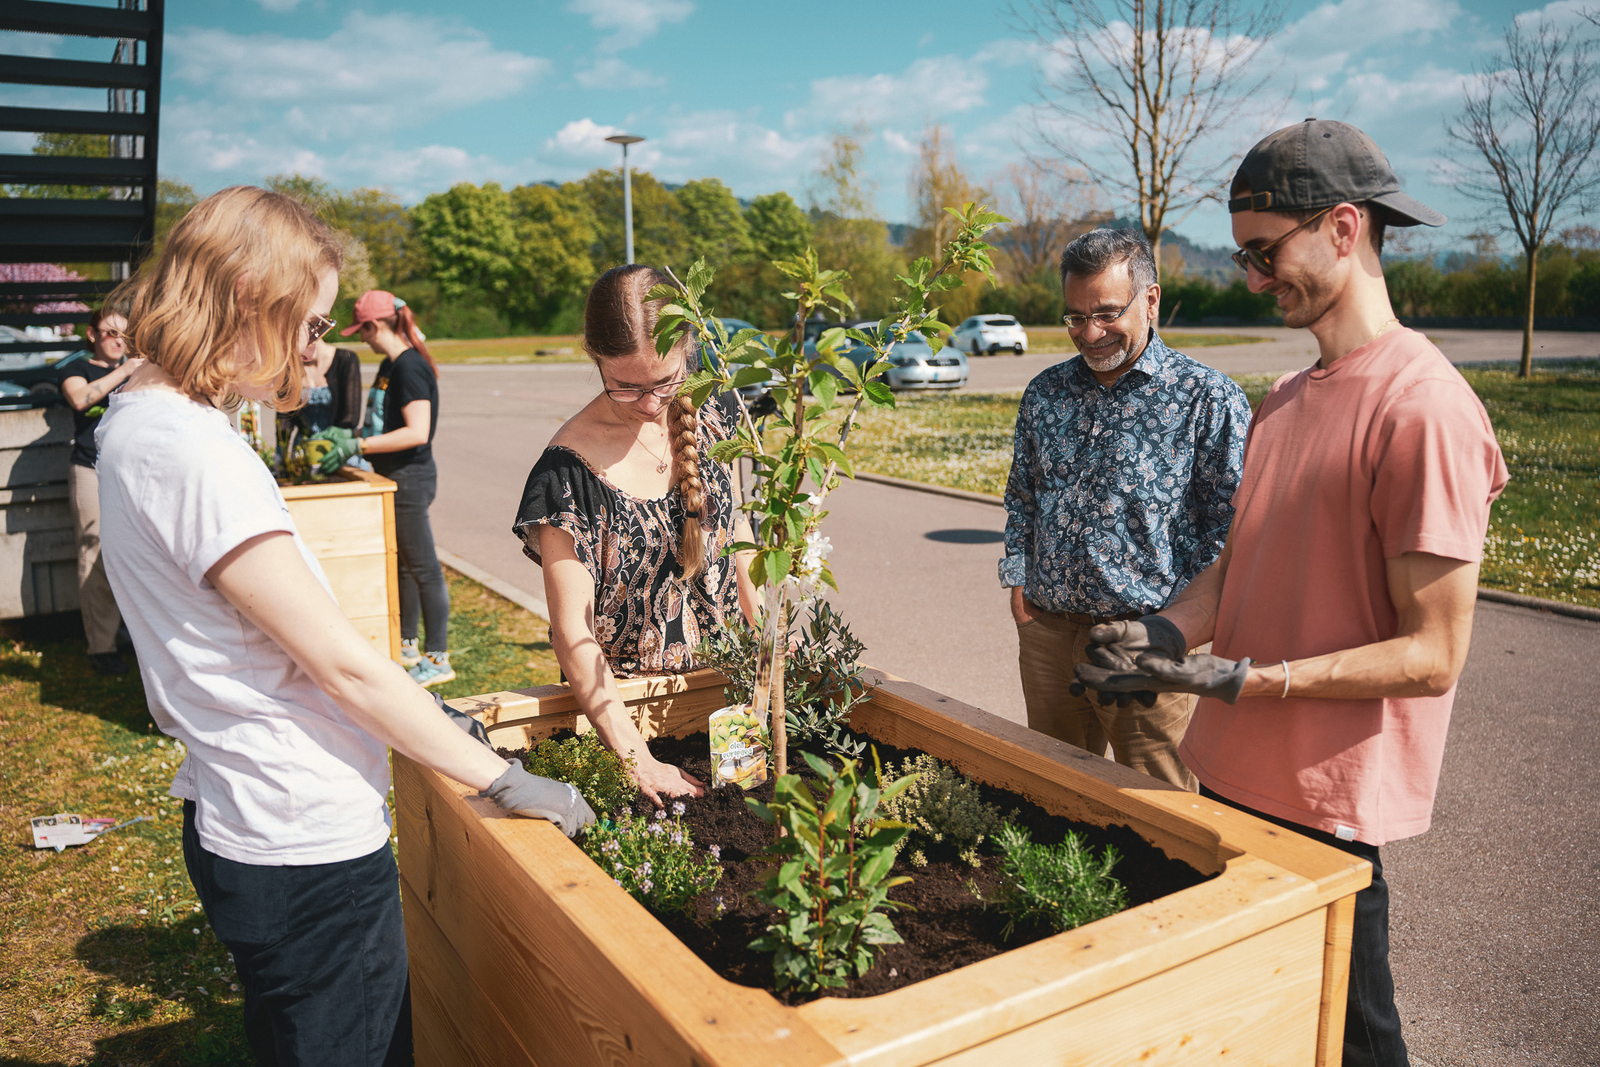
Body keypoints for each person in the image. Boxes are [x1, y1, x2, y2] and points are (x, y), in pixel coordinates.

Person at [95, 185, 594, 1067]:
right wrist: (502, 776)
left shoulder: (142, 417)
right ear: (249, 294)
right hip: (302, 840)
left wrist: (433, 720)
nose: (315, 346)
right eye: (313, 322)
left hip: (242, 812)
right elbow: (339, 665)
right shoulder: (195, 452)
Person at [1073, 120, 1509, 1067]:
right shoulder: (1284, 399)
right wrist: (1159, 631)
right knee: (1249, 1033)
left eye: (1265, 253)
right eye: (1243, 257)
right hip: (1229, 774)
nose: (1253, 278)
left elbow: (1433, 654)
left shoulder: (1422, 406)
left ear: (1344, 229)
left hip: (1324, 809)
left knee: (1352, 1044)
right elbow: (1245, 563)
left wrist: (1243, 680)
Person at [1000, 227, 1251, 791]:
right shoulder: (1046, 393)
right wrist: (1019, 580)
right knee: (1053, 794)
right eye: (1074, 317)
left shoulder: (1208, 399)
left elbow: (1230, 528)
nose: (1090, 334)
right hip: (1047, 635)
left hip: (1146, 643)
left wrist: (1179, 627)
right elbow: (1023, 494)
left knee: (1161, 812)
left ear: (1152, 300)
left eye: (1107, 313)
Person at [512, 264, 758, 806]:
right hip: (629, 721)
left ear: (688, 349)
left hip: (732, 706)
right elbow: (570, 631)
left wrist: (765, 665)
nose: (650, 404)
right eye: (625, 387)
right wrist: (636, 758)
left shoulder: (714, 419)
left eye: (665, 382)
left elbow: (735, 538)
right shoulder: (565, 476)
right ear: (595, 359)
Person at [320, 292, 451, 687]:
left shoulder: (409, 366)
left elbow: (416, 431)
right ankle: (408, 645)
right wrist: (351, 434)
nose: (363, 339)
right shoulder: (389, 365)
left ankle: (438, 657)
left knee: (424, 568)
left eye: (363, 331)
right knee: (404, 565)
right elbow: (385, 423)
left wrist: (355, 447)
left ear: (376, 326)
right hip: (391, 477)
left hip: (410, 477)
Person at [59, 306, 144, 674]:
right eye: (109, 333)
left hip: (132, 471)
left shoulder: (143, 370)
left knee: (134, 553)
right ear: (92, 334)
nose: (117, 341)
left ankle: (128, 632)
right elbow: (80, 399)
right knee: (94, 555)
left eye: (123, 334)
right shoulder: (76, 368)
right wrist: (126, 370)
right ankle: (101, 647)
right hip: (90, 469)